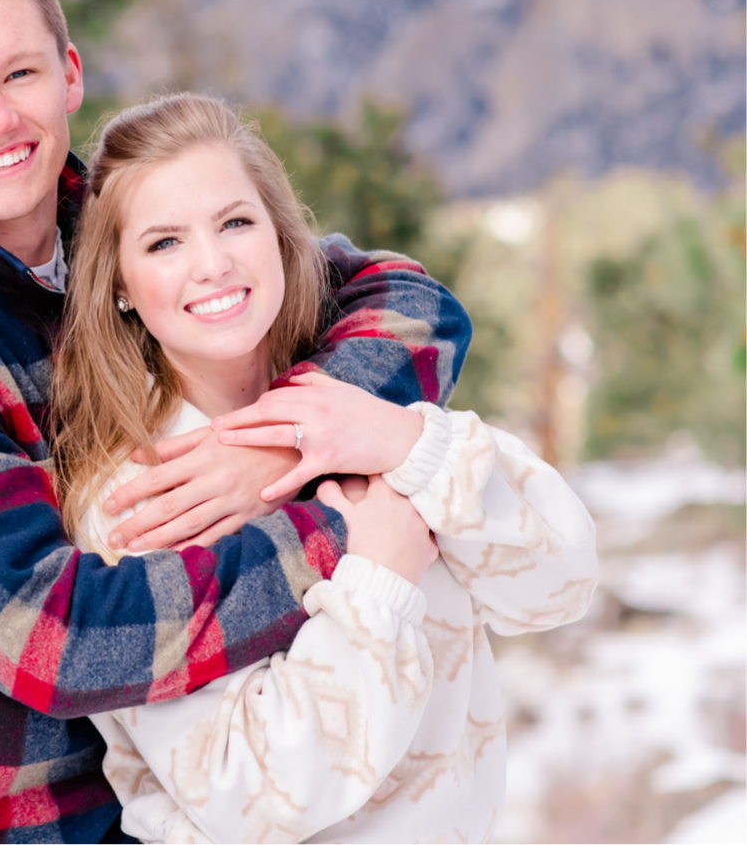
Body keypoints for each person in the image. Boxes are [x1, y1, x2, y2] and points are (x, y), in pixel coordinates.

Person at [0, 0, 473, 843]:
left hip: (174, 812)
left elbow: (406, 298)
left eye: (20, 75)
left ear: (70, 74)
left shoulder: (132, 227)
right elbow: (50, 639)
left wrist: (282, 437)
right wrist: (340, 533)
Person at [51, 93, 599, 843]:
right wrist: (380, 577)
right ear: (118, 282)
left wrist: (407, 443)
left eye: (235, 222)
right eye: (164, 243)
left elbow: (560, 581)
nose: (212, 265)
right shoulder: (142, 494)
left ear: (281, 235)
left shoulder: (363, 402)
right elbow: (252, 794)